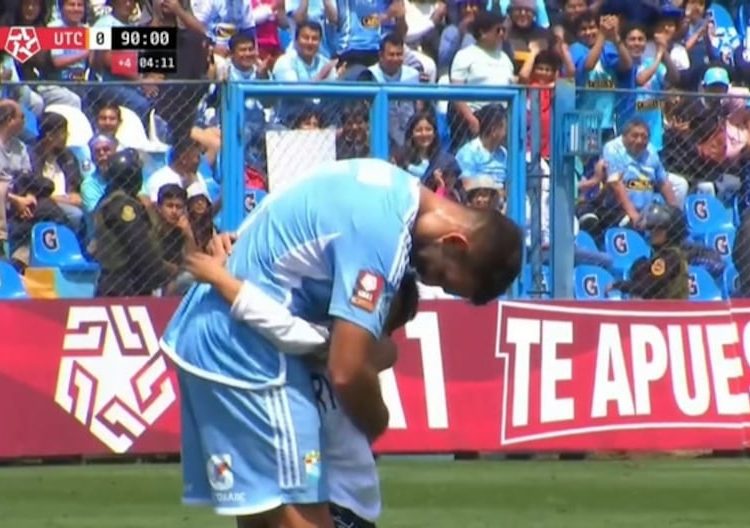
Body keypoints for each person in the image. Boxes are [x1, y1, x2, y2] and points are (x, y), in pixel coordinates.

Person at [159, 158, 522, 528]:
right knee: (303, 517)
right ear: (456, 243)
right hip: (248, 355)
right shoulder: (385, 232)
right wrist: (376, 420)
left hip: (220, 338)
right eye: (443, 276)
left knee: (265, 518)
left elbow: (289, 219)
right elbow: (346, 370)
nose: (429, 280)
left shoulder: (386, 182)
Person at [184, 243, 420, 528]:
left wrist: (221, 278)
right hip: (286, 480)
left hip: (339, 496)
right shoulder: (291, 330)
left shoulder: (357, 346)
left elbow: (288, 330)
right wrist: (232, 248)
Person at [90, 148, 173, 297]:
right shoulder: (121, 205)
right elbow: (139, 244)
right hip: (124, 285)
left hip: (121, 283)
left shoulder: (111, 199)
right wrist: (162, 275)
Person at [608, 202, 689, 299]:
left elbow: (649, 287)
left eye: (658, 229)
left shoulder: (670, 257)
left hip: (668, 309)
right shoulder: (663, 254)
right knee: (640, 264)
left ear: (671, 232)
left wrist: (618, 285)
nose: (652, 232)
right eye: (652, 228)